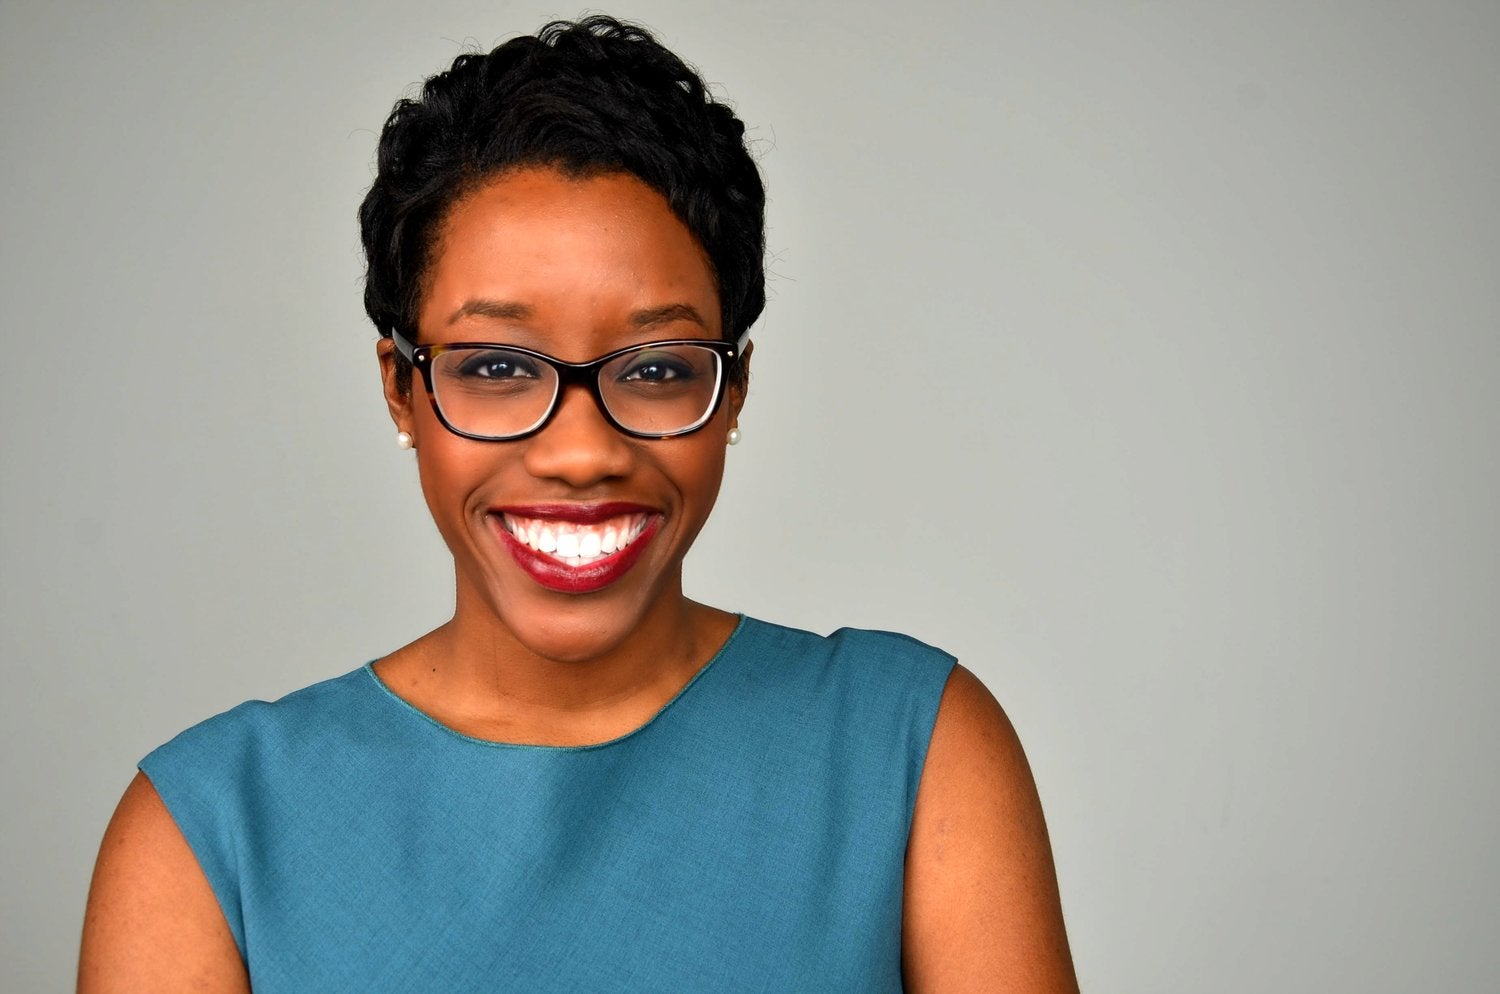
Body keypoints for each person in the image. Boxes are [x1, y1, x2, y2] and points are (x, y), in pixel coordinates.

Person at [78, 16, 1077, 992]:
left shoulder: (911, 749)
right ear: (401, 390)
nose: (582, 453)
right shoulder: (209, 833)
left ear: (732, 390)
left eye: (656, 368)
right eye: (498, 366)